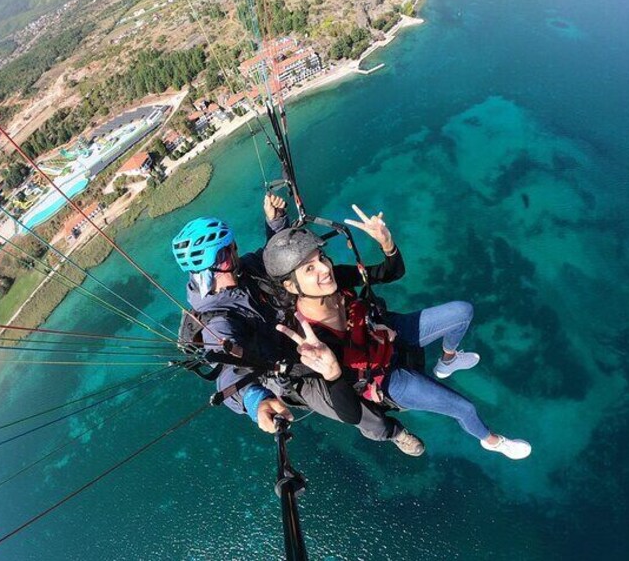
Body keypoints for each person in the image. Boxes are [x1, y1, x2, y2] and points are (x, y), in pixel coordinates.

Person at [263, 205, 532, 460]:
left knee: (462, 311)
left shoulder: (337, 280)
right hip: (385, 378)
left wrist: (386, 243)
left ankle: (448, 360)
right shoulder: (310, 340)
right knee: (465, 409)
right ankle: (493, 441)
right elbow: (350, 414)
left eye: (321, 258)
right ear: (291, 285)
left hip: (387, 334)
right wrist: (332, 374)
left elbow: (390, 272)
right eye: (310, 268)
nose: (324, 268)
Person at [171, 195, 425, 455]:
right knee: (344, 406)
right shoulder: (217, 318)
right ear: (206, 272)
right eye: (225, 254)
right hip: (287, 369)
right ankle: (391, 431)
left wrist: (276, 222)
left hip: (301, 325)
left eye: (232, 245)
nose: (234, 252)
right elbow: (227, 366)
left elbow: (274, 257)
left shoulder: (243, 270)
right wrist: (254, 400)